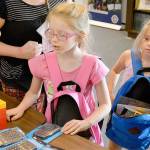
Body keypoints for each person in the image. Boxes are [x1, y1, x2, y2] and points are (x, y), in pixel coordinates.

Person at [6, 2, 111, 146]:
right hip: (52, 129)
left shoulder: (93, 65)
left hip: (83, 131)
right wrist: (20, 108)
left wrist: (86, 123)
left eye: (62, 35)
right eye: (51, 32)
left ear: (80, 36)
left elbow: (105, 105)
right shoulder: (43, 62)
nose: (54, 39)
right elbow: (33, 93)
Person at [0, 0, 70, 112]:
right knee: (21, 124)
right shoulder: (7, 3)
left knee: (47, 123)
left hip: (53, 79)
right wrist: (19, 52)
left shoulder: (61, 2)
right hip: (17, 82)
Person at [107, 20, 150, 150]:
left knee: (138, 144)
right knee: (115, 139)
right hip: (121, 106)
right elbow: (114, 71)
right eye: (146, 38)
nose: (149, 44)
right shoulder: (129, 56)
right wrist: (110, 92)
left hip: (145, 114)